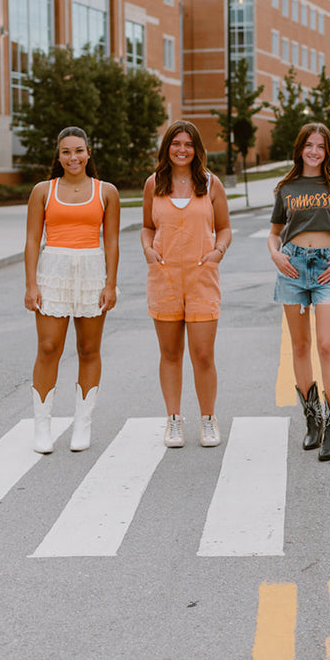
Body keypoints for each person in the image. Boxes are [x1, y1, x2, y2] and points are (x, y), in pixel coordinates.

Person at [268, 123, 330, 462]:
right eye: (309, 145)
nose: (314, 151)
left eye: (320, 147)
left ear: (328, 151)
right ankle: (313, 420)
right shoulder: (286, 187)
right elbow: (274, 233)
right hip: (293, 269)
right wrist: (276, 254)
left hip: (329, 268)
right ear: (300, 149)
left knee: (325, 344)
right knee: (300, 345)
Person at [23, 127, 120, 454]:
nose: (73, 157)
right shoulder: (42, 191)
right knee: (49, 347)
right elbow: (33, 240)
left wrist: (111, 283)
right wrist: (31, 284)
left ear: (88, 153)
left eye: (79, 150)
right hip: (53, 271)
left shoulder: (106, 192)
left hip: (92, 271)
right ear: (58, 155)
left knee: (89, 349)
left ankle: (83, 424)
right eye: (66, 152)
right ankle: (42, 426)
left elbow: (112, 242)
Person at [142, 120, 232, 448]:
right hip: (164, 278)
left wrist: (217, 252)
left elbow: (224, 227)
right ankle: (174, 420)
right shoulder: (154, 184)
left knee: (203, 354)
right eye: (176, 143)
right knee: (170, 353)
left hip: (201, 278)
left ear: (197, 149)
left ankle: (208, 419)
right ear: (167, 147)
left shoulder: (210, 184)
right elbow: (146, 227)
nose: (182, 149)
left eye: (188, 144)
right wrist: (148, 250)